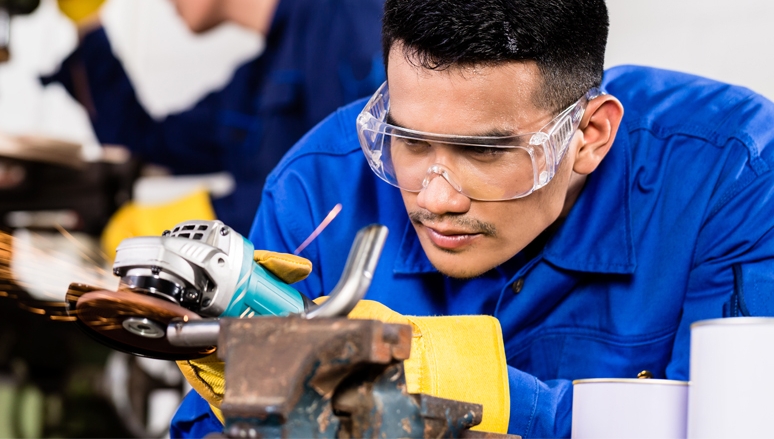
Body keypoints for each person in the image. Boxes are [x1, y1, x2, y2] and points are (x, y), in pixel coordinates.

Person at [172, 0, 774, 437]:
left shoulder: (731, 174)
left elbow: (732, 425)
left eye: (485, 152)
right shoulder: (317, 184)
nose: (434, 199)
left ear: (590, 136)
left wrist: (470, 387)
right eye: (408, 140)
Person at [43, 0, 386, 234]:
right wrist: (87, 23)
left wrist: (215, 217)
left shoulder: (353, 23)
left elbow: (355, 188)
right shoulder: (256, 81)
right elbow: (137, 140)